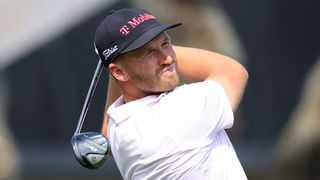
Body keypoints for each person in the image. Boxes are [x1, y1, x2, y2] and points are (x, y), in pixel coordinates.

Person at [94, 8, 248, 179]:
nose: (167, 58)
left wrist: (118, 61)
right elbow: (232, 71)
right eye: (148, 53)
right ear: (119, 72)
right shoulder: (175, 114)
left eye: (165, 43)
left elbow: (106, 134)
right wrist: (162, 45)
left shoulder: (118, 125)